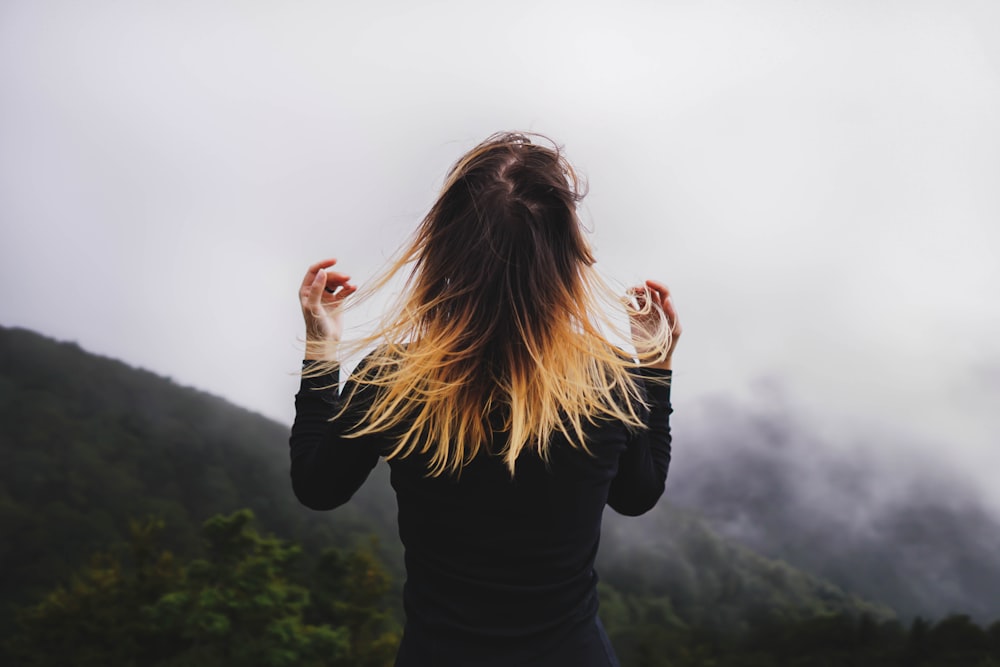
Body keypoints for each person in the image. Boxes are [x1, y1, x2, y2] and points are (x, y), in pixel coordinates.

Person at [290, 132, 680, 666]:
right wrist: (654, 368)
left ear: (444, 243)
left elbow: (318, 487)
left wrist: (321, 348)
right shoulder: (606, 382)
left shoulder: (391, 379)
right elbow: (638, 494)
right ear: (567, 253)